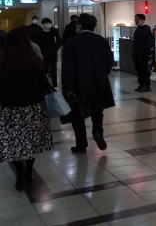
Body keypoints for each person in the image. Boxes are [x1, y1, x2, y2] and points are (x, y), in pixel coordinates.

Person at [0, 27, 54, 191]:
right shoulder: (34, 60)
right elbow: (44, 84)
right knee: (31, 141)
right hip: (33, 108)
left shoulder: (2, 59)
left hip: (9, 108)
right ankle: (29, 170)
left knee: (12, 141)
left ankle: (20, 172)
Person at [62, 13, 114, 154]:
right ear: (94, 26)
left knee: (77, 115)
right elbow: (110, 62)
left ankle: (81, 144)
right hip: (98, 83)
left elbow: (68, 67)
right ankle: (98, 132)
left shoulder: (72, 42)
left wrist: (67, 87)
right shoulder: (102, 41)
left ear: (79, 25)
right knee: (97, 110)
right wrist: (102, 76)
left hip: (78, 85)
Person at [36, 17, 61, 86]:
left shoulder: (54, 32)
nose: (48, 25)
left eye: (49, 23)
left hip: (53, 54)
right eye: (46, 23)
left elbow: (59, 41)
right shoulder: (39, 33)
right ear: (43, 24)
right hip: (43, 54)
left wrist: (54, 49)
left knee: (54, 71)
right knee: (44, 70)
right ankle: (44, 85)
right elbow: (37, 44)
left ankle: (54, 85)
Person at [132, 13, 154, 92]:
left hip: (143, 53)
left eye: (136, 19)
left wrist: (145, 50)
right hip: (137, 53)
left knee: (144, 69)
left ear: (141, 20)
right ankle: (141, 84)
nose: (135, 20)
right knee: (138, 69)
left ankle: (146, 85)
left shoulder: (146, 27)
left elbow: (147, 40)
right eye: (135, 19)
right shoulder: (138, 28)